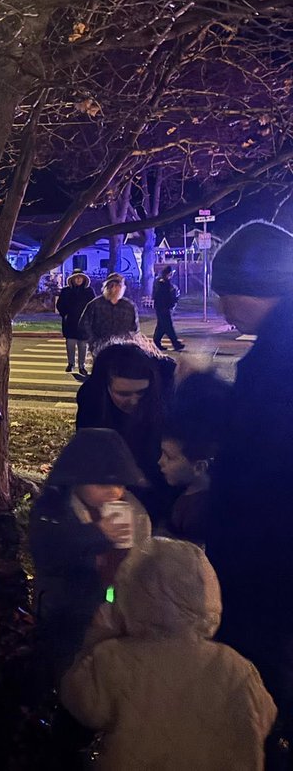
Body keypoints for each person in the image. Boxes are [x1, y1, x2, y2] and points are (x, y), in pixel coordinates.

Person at [200, 219, 293, 763]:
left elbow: (261, 447)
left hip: (265, 556)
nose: (221, 304)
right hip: (266, 546)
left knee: (260, 667)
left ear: (255, 288)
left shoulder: (279, 357)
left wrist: (199, 395)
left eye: (226, 291)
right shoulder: (276, 347)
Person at [61, 538, 276, 771]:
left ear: (133, 593)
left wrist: (96, 638)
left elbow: (81, 703)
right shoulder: (235, 666)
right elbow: (264, 716)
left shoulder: (114, 657)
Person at [28, 428, 152, 686]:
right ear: (77, 479)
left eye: (119, 484)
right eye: (102, 484)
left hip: (115, 607)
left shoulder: (132, 510)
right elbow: (49, 551)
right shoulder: (53, 510)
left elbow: (142, 553)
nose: (113, 492)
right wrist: (96, 534)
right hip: (66, 610)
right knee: (69, 668)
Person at [75, 339, 176, 524]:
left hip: (157, 486)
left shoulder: (162, 399)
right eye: (123, 394)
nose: (134, 401)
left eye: (141, 392)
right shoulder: (92, 401)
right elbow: (88, 450)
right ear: (106, 387)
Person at [157, 373, 231, 546]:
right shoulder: (186, 493)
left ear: (199, 467)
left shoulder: (199, 511)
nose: (160, 462)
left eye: (169, 457)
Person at [78, 273, 139, 353]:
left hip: (123, 349)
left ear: (122, 288)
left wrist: (130, 343)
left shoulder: (129, 306)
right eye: (111, 286)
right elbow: (84, 325)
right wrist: (93, 342)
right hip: (101, 348)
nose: (113, 289)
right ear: (105, 287)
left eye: (117, 286)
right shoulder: (95, 305)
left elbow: (135, 329)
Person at [55, 271, 95, 375]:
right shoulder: (66, 291)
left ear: (84, 279)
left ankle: (82, 366)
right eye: (76, 277)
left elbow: (93, 305)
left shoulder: (88, 291)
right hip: (70, 322)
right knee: (70, 344)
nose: (78, 279)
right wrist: (65, 314)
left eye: (80, 277)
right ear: (72, 279)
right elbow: (60, 305)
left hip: (84, 322)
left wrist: (90, 318)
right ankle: (71, 363)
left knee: (82, 345)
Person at [151, 265, 185, 351]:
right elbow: (163, 295)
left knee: (161, 326)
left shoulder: (161, 282)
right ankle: (175, 343)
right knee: (168, 326)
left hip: (162, 307)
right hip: (163, 307)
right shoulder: (162, 283)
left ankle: (156, 342)